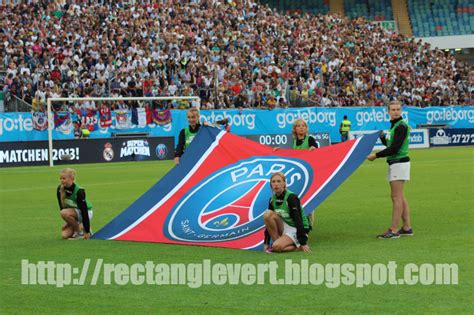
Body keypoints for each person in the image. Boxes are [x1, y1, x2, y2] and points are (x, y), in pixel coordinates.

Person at [367, 100, 413, 239]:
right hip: (397, 163)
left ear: (401, 111)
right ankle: (406, 227)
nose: (396, 111)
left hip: (399, 162)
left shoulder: (401, 126)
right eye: (393, 109)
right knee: (400, 196)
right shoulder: (395, 126)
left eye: (398, 109)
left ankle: (393, 230)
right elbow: (390, 144)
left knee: (396, 197)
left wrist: (376, 155)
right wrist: (382, 138)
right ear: (388, 112)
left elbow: (394, 148)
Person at [263, 172, 311, 253]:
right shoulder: (272, 199)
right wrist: (266, 242)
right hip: (285, 226)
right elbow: (268, 223)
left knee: (276, 247)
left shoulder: (291, 197)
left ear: (284, 183)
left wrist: (303, 242)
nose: (276, 184)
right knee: (267, 214)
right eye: (273, 182)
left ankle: (297, 247)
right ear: (270, 185)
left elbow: (298, 220)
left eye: (279, 181)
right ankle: (276, 243)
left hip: (297, 229)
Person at [57, 168, 93, 240]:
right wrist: (68, 222)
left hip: (86, 213)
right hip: (73, 213)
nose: (61, 180)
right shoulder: (60, 189)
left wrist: (87, 230)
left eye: (64, 178)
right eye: (60, 178)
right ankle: (79, 228)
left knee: (63, 213)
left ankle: (80, 232)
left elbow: (84, 211)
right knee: (64, 235)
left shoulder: (79, 191)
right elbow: (62, 207)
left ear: (72, 179)